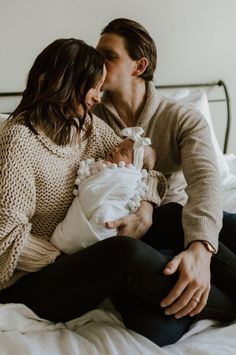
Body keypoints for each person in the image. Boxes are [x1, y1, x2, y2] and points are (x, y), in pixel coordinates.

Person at [0, 37, 235, 348]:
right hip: (30, 278)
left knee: (170, 214)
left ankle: (205, 267)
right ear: (60, 83)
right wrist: (67, 252)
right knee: (123, 252)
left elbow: (142, 170)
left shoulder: (85, 128)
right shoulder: (19, 139)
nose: (98, 98)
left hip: (85, 247)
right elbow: (7, 236)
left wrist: (147, 207)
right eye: (93, 87)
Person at [93, 17, 236, 340]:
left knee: (208, 221)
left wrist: (200, 248)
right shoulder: (89, 121)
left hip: (185, 224)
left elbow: (205, 183)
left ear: (139, 65)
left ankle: (200, 264)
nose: (95, 63)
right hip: (135, 243)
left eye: (108, 55)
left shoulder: (182, 118)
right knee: (156, 326)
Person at [51, 127, 165, 254]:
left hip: (110, 226)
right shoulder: (104, 164)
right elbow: (91, 190)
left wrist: (146, 211)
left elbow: (150, 175)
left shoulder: (127, 176)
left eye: (123, 152)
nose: (115, 148)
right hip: (73, 237)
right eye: (118, 146)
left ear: (133, 167)